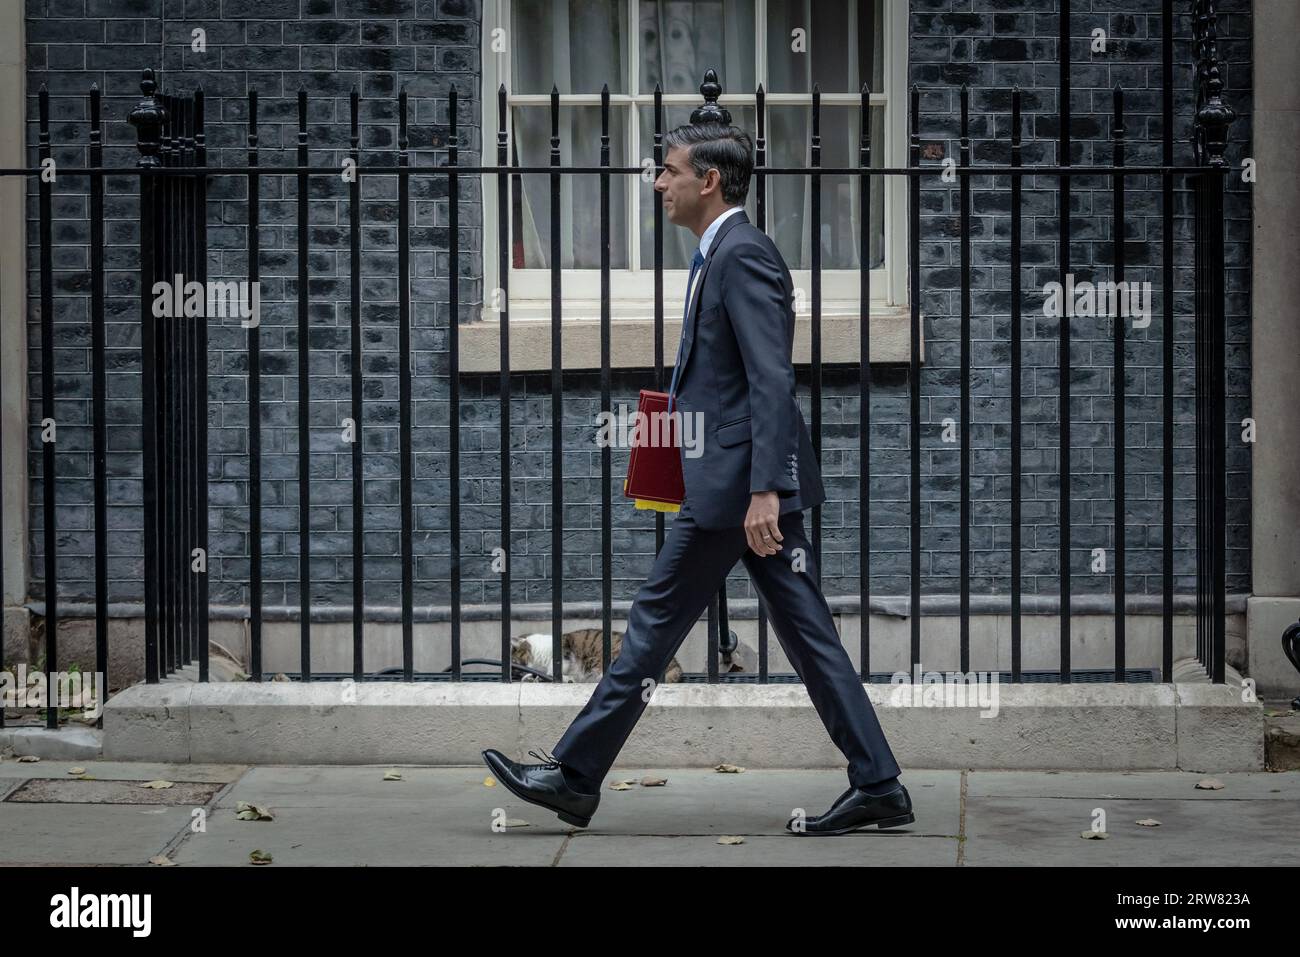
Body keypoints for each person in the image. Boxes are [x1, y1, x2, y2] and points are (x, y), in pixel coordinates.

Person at [482, 120, 912, 836]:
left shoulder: (741, 256)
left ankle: (575, 774)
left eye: (668, 171)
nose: (658, 183)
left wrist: (765, 490)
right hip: (738, 485)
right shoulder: (722, 254)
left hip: (740, 492)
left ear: (708, 181)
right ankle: (879, 781)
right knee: (810, 637)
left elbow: (771, 379)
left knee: (651, 625)